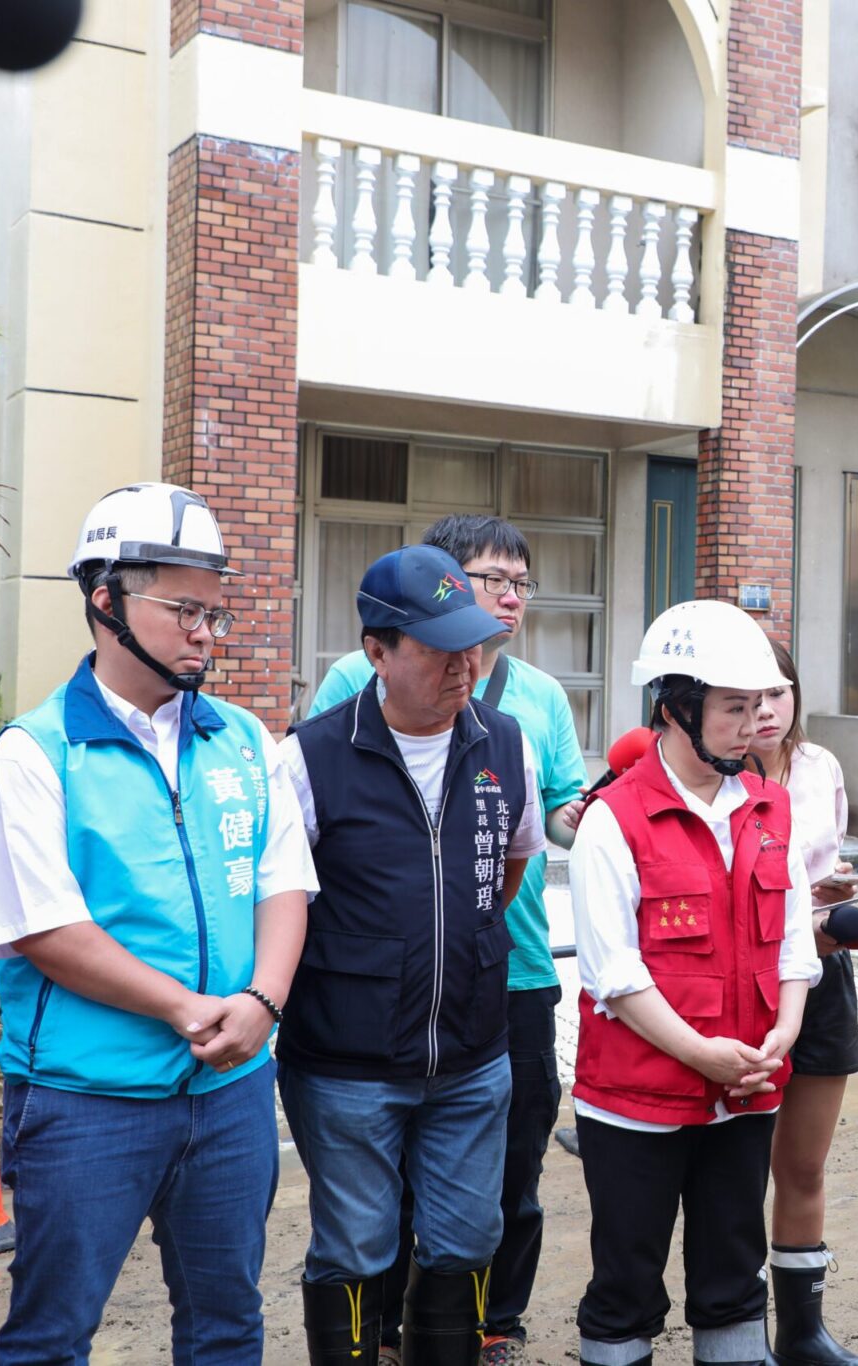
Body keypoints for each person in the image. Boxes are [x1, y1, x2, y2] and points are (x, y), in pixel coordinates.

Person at [0, 482, 312, 1363]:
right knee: (52, 1334)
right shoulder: (35, 754)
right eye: (183, 608)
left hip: (232, 1090)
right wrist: (188, 1009)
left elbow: (283, 885)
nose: (205, 631)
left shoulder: (244, 741)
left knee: (229, 1325)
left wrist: (262, 1004)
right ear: (105, 600)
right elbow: (48, 930)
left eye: (215, 611)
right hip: (89, 1100)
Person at [311, 515, 588, 1366]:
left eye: (519, 584)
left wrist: (461, 937)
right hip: (361, 1028)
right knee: (364, 1222)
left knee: (487, 1205)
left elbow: (513, 863)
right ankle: (375, 1336)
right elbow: (303, 876)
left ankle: (476, 1334)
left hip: (490, 1008)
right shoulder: (329, 724)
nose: (466, 663)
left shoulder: (519, 720)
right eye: (439, 648)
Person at [568, 600, 820, 1366]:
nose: (755, 724)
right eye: (734, 707)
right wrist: (702, 1054)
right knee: (627, 1282)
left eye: (763, 704)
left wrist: (784, 1034)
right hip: (637, 1101)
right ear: (676, 707)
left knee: (732, 1277)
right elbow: (614, 975)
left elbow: (797, 944)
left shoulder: (771, 808)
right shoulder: (614, 820)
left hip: (745, 1089)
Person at [751, 640, 858, 1366]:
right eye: (745, 696)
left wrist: (835, 893)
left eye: (776, 692)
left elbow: (828, 860)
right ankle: (736, 1326)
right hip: (748, 985)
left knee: (804, 1166)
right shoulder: (708, 775)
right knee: (734, 1171)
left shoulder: (820, 766)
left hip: (824, 973)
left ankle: (802, 1332)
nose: (763, 709)